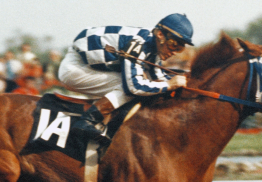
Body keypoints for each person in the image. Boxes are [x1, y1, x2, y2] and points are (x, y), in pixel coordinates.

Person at [57, 13, 193, 143]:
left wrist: (185, 79)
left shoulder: (153, 45)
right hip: (75, 67)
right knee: (129, 85)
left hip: (90, 66)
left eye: (179, 49)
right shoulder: (138, 43)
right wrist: (169, 85)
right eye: (173, 45)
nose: (174, 52)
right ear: (160, 34)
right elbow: (134, 87)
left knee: (146, 84)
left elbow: (158, 77)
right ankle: (87, 121)